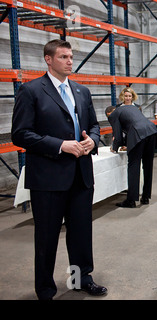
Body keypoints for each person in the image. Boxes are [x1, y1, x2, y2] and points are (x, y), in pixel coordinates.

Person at [11, 39, 107, 299]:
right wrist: (60, 145)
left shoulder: (81, 91)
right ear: (48, 59)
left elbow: (95, 126)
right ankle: (45, 289)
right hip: (48, 178)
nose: (69, 61)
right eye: (63, 56)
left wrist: (93, 141)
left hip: (80, 175)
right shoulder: (31, 91)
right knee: (47, 237)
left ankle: (80, 279)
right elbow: (20, 134)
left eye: (71, 57)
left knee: (80, 234)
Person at [105, 105, 157, 208]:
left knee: (133, 166)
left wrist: (115, 147)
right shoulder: (130, 108)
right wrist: (127, 144)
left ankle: (131, 200)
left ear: (109, 114)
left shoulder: (113, 115)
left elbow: (117, 135)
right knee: (148, 166)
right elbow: (133, 123)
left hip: (138, 133)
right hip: (152, 131)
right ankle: (145, 197)